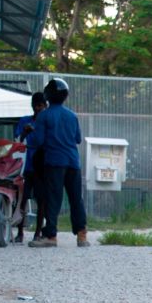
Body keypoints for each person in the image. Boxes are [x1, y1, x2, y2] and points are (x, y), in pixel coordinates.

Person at [27, 79, 89, 248]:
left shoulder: (44, 116)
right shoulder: (72, 116)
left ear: (48, 96)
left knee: (53, 198)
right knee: (76, 198)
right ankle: (82, 235)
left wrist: (30, 136)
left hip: (54, 162)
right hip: (73, 162)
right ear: (65, 96)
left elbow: (37, 141)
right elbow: (77, 139)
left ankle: (51, 236)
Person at [14, 92, 47, 243]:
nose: (38, 108)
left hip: (41, 167)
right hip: (26, 167)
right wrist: (24, 133)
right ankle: (20, 231)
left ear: (45, 106)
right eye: (36, 105)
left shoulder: (47, 123)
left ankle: (37, 233)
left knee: (41, 200)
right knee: (23, 199)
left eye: (41, 105)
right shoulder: (24, 121)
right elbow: (17, 141)